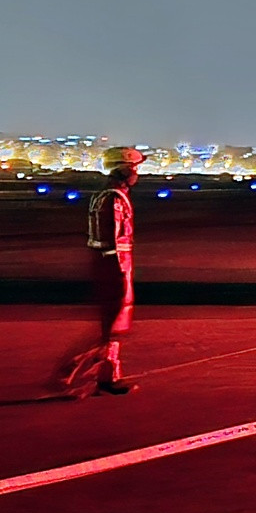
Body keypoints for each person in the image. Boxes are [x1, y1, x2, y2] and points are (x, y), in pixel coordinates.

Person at [60, 146, 144, 397]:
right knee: (112, 325)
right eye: (135, 168)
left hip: (112, 265)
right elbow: (110, 239)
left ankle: (107, 375)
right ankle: (69, 371)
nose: (137, 174)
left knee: (114, 326)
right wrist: (119, 272)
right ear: (124, 168)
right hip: (114, 266)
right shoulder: (115, 197)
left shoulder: (106, 194)